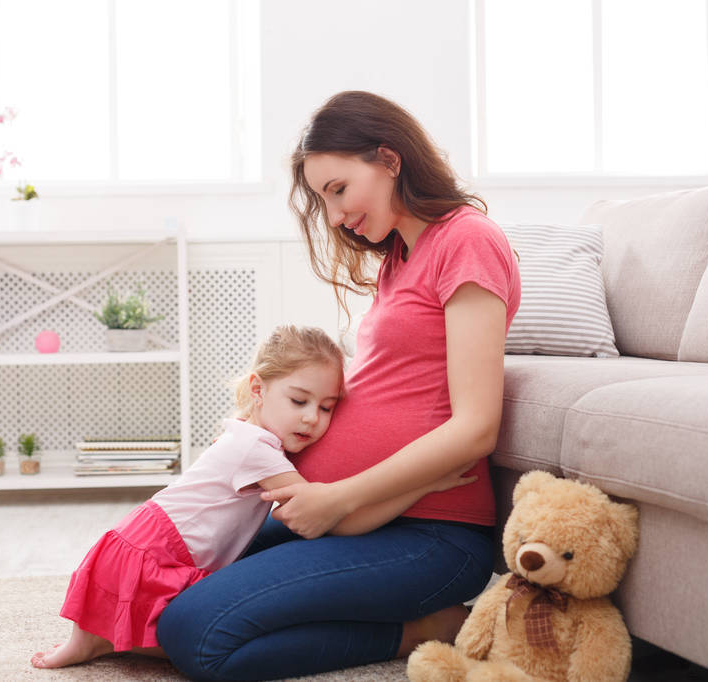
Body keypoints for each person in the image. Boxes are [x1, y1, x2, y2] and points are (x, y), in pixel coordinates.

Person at [157, 91, 521, 680]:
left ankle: (425, 627)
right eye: (323, 198)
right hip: (353, 514)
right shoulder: (401, 256)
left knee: (194, 634)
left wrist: (338, 497)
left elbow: (476, 427)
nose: (332, 215)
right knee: (168, 576)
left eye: (338, 189)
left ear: (389, 159)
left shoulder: (467, 240)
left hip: (432, 533)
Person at [31, 324, 474, 669]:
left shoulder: (248, 434)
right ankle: (97, 641)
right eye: (299, 401)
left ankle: (94, 641)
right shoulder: (258, 452)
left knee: (173, 628)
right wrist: (422, 484)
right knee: (199, 637)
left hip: (143, 535)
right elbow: (338, 521)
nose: (313, 418)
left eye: (326, 407)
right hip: (161, 547)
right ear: (258, 389)